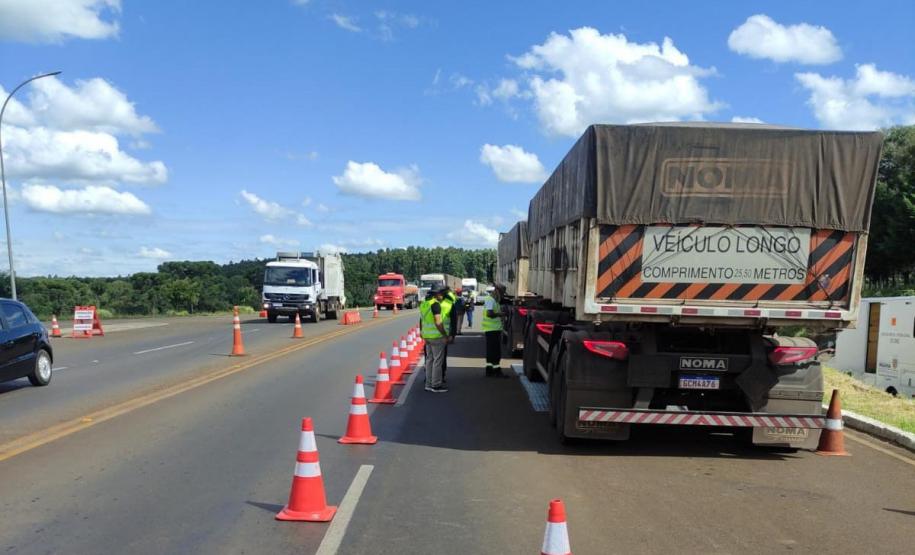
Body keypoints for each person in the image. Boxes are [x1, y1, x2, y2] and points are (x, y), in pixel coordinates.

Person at [419, 286, 449, 393]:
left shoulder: (424, 304)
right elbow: (438, 322)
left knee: (429, 360)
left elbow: (421, 320)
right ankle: (436, 385)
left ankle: (428, 384)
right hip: (436, 337)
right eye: (440, 294)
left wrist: (421, 333)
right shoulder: (435, 304)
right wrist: (445, 335)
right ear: (436, 294)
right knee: (437, 361)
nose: (441, 296)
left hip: (427, 336)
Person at [481, 284, 506, 377]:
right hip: (491, 329)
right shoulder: (490, 300)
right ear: (497, 291)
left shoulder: (493, 300)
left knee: (492, 350)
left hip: (493, 329)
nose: (502, 295)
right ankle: (496, 370)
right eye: (502, 293)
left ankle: (490, 370)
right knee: (495, 351)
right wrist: (501, 314)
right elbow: (489, 314)